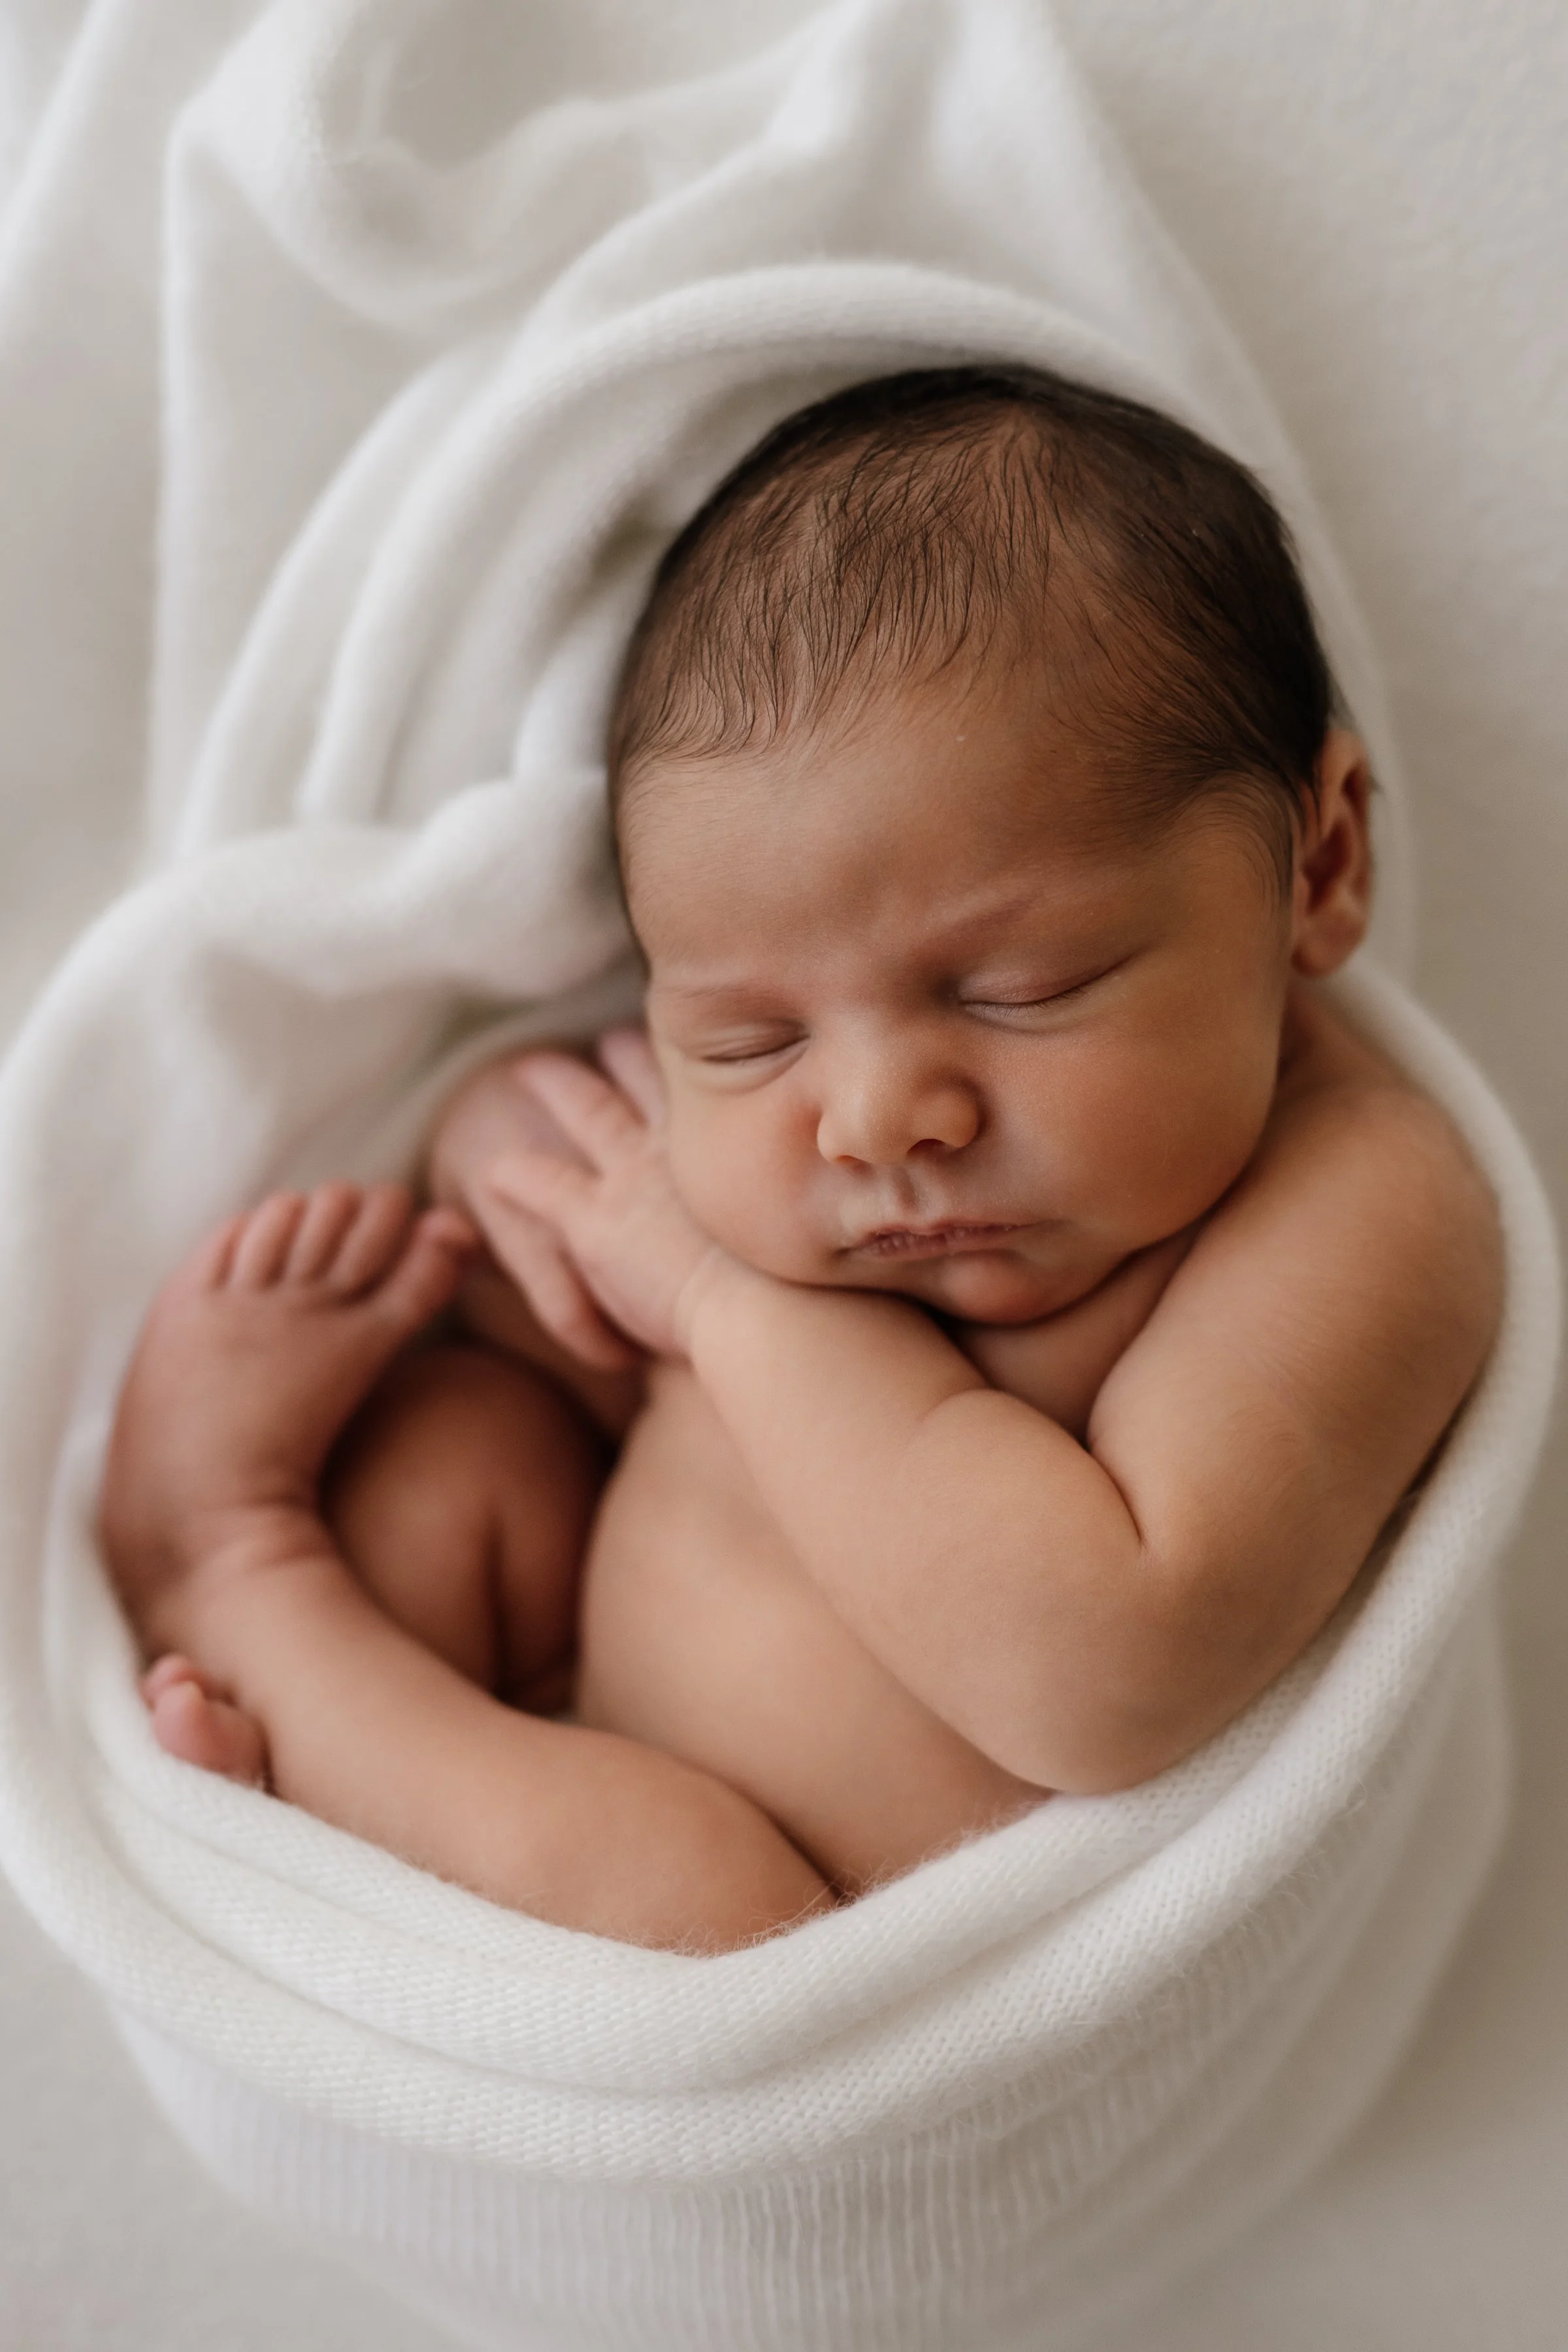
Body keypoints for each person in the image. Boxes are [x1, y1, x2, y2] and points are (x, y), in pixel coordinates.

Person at [99, 368, 1502, 1953]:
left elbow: (1110, 1671)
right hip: (562, 1656)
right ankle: (266, 1582)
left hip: (796, 1927)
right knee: (453, 1465)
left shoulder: (1362, 1202)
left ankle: (237, 1568)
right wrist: (502, 1155)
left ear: (1318, 862)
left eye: (1013, 992)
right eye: (748, 1040)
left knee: (696, 1908)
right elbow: (594, 1245)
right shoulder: (809, 1170)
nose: (871, 1120)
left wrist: (719, 1296)